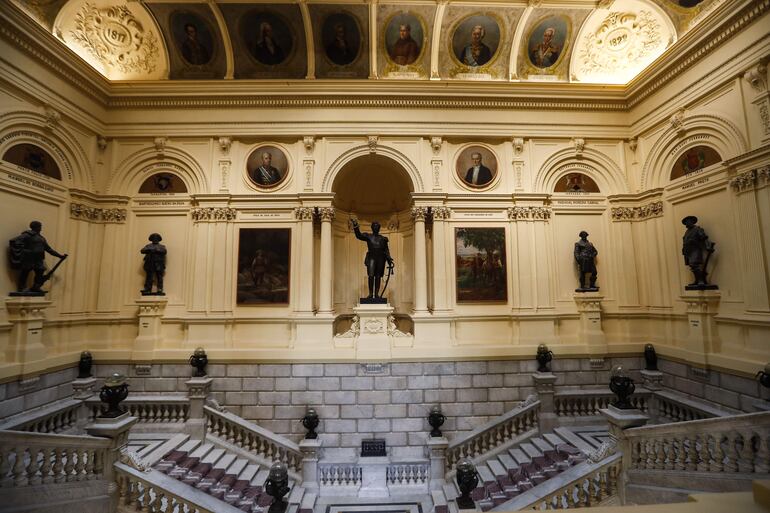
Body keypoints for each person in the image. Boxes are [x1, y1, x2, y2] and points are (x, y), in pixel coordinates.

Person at [8, 221, 67, 294]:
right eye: (40, 226)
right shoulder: (27, 235)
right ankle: (22, 287)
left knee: (40, 271)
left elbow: (49, 249)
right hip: (29, 258)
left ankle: (36, 287)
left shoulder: (41, 238)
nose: (41, 228)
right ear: (35, 227)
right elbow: (15, 241)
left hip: (38, 259)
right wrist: (26, 251)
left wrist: (59, 256)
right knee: (25, 272)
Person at [351, 219, 394, 299]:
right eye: (374, 226)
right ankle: (370, 294)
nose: (376, 227)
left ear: (379, 228)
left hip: (381, 258)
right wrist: (356, 226)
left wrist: (389, 259)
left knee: (378, 276)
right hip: (371, 258)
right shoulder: (368, 236)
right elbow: (359, 235)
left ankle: (376, 294)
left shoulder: (383, 239)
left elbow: (386, 250)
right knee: (371, 275)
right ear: (372, 228)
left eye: (377, 226)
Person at [682, 216, 715, 287]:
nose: (686, 224)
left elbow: (704, 238)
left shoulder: (697, 229)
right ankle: (697, 280)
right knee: (692, 266)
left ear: (691, 222)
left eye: (687, 222)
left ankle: (701, 280)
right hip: (688, 251)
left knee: (694, 264)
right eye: (685, 223)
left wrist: (708, 246)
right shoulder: (687, 232)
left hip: (695, 249)